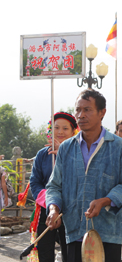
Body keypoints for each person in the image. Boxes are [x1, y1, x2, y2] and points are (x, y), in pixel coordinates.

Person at [46, 89, 122, 262]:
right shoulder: (66, 148)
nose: (81, 115)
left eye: (87, 110)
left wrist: (105, 201)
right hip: (74, 232)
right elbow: (54, 185)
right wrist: (53, 208)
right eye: (78, 110)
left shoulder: (119, 147)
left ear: (102, 112)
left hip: (108, 234)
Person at [29, 112, 79, 262]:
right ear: (51, 130)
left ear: (73, 131)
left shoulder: (79, 154)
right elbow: (35, 181)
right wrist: (48, 201)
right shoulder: (42, 155)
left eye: (65, 128)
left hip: (71, 209)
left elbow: (81, 178)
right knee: (44, 248)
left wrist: (62, 155)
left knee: (70, 251)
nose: (60, 132)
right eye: (56, 127)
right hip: (46, 208)